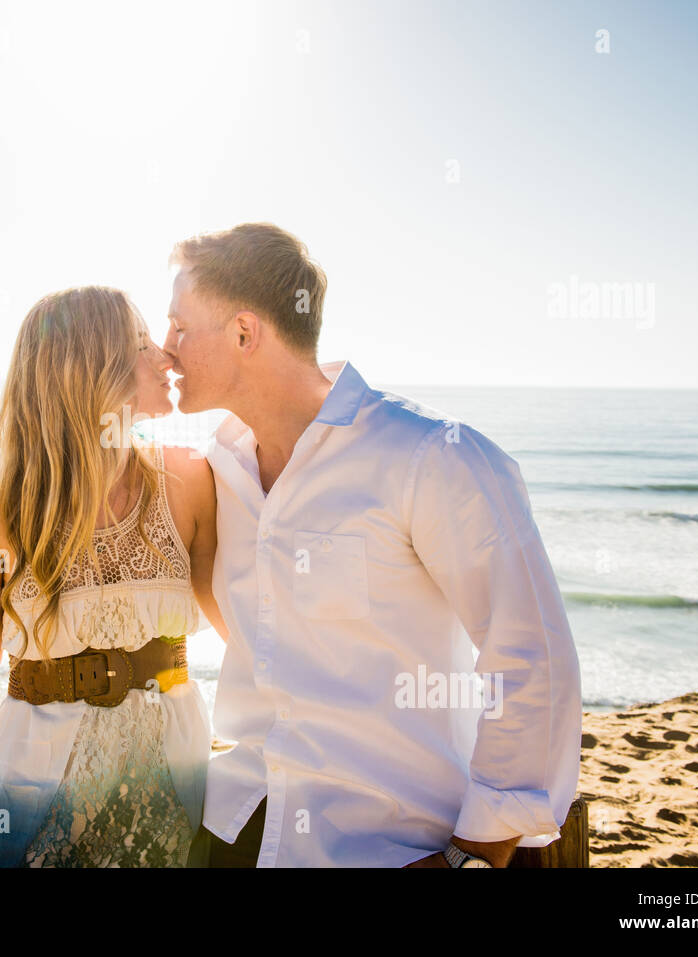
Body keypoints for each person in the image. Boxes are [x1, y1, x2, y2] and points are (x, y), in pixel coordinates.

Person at [166, 223, 582, 867]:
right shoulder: (218, 467)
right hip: (238, 827)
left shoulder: (428, 456)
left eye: (180, 327)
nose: (167, 351)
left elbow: (533, 650)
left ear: (244, 333)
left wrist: (476, 854)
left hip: (386, 847)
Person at [0, 285, 225, 866]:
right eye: (140, 345)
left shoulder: (188, 477)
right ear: (91, 369)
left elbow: (244, 615)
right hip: (34, 777)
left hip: (172, 771)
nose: (165, 356)